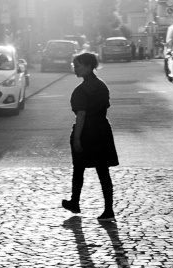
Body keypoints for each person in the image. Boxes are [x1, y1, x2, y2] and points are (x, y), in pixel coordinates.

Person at [62, 50, 118, 221]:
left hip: (87, 131)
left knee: (79, 168)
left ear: (88, 66)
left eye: (78, 66)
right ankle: (108, 209)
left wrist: (77, 138)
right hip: (102, 130)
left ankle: (75, 202)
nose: (75, 68)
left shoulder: (81, 90)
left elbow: (81, 115)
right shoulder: (101, 85)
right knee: (103, 171)